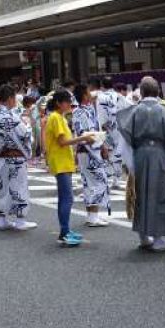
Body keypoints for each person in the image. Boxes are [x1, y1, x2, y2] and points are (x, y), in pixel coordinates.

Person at [117, 76, 165, 252]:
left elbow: (124, 143)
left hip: (139, 154)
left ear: (141, 92)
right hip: (158, 155)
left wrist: (130, 165)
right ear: (158, 92)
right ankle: (158, 239)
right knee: (160, 195)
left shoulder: (132, 111)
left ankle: (143, 236)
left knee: (141, 194)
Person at [45, 90, 95, 245]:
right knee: (67, 198)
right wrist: (83, 138)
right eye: (66, 102)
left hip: (63, 161)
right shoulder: (56, 118)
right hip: (60, 162)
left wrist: (82, 140)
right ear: (59, 103)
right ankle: (64, 232)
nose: (69, 105)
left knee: (64, 198)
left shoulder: (58, 117)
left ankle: (65, 230)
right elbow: (62, 142)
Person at [0, 85, 37, 231]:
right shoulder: (11, 116)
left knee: (4, 188)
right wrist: (28, 124)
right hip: (15, 158)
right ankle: (20, 220)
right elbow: (25, 134)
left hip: (1, 157)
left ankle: (2, 219)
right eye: (15, 98)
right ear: (10, 99)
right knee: (19, 187)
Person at [72, 84, 110, 228]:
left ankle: (92, 215)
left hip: (87, 150)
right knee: (96, 182)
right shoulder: (81, 112)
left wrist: (102, 144)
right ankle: (93, 215)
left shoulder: (83, 110)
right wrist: (101, 147)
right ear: (84, 95)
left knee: (90, 182)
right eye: (88, 92)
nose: (91, 95)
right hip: (89, 150)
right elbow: (87, 134)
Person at [97, 77, 123, 189]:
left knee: (106, 151)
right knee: (117, 152)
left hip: (106, 127)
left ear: (102, 85)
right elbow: (128, 106)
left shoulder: (100, 97)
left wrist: (101, 125)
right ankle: (116, 179)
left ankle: (107, 177)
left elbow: (100, 112)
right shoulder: (118, 95)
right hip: (117, 126)